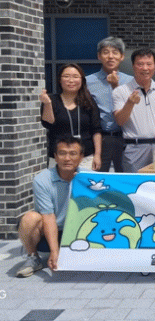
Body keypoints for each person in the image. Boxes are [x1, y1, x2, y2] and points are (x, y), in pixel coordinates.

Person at [16, 136, 83, 277]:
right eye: (62, 153)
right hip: (51, 232)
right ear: (55, 157)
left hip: (78, 232)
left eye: (73, 154)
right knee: (30, 218)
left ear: (81, 157)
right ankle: (33, 257)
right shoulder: (42, 179)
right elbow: (48, 217)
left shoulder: (90, 178)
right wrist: (54, 251)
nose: (67, 158)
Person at [113, 48, 155, 173]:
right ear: (133, 66)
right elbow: (120, 121)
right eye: (140, 64)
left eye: (149, 64)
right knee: (134, 184)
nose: (145, 68)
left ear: (154, 66)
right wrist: (129, 103)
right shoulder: (120, 91)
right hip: (134, 149)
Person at [40, 63, 101, 171]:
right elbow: (48, 123)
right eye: (66, 76)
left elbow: (96, 130)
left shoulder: (89, 102)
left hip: (85, 157)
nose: (71, 80)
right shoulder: (52, 100)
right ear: (60, 80)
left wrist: (97, 155)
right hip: (59, 157)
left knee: (83, 182)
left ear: (82, 80)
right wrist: (47, 104)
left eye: (75, 76)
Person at [86, 36, 133, 172]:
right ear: (99, 56)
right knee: (98, 179)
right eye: (106, 52)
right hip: (99, 138)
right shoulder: (88, 81)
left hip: (125, 138)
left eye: (115, 52)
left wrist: (116, 86)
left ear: (122, 56)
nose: (110, 56)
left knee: (124, 179)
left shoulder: (131, 81)